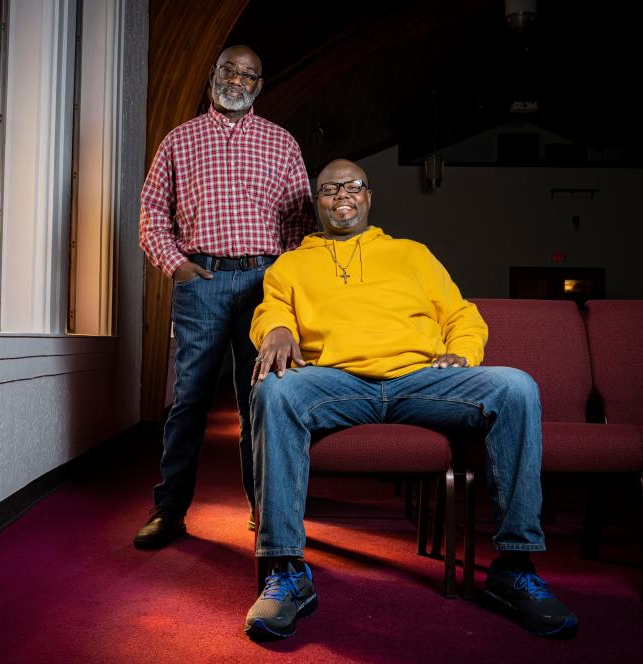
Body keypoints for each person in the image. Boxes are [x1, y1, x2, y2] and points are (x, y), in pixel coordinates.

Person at [243, 159, 578, 639]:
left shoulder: (412, 254)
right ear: (316, 201)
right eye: (330, 188)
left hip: (421, 379)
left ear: (370, 197)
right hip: (337, 381)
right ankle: (287, 573)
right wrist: (274, 327)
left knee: (516, 386)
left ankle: (514, 567)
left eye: (354, 186)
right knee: (273, 391)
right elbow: (271, 309)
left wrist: (462, 355)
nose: (343, 194)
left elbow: (462, 316)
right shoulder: (291, 264)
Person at [135, 46, 317, 549]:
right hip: (203, 283)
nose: (236, 80)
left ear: (260, 85)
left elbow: (302, 221)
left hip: (265, 286)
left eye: (248, 75)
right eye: (228, 70)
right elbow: (152, 212)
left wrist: (285, 280)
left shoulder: (281, 143)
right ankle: (169, 509)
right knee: (190, 398)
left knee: (261, 400)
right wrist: (177, 266)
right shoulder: (180, 139)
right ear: (213, 75)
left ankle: (266, 510)